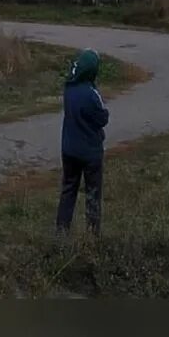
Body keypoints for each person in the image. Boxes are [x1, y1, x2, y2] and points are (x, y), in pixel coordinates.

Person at [55, 48, 109, 237]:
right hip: (90, 152)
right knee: (93, 194)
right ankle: (92, 235)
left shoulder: (69, 88)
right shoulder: (91, 94)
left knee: (68, 190)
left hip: (69, 149)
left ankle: (61, 232)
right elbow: (102, 118)